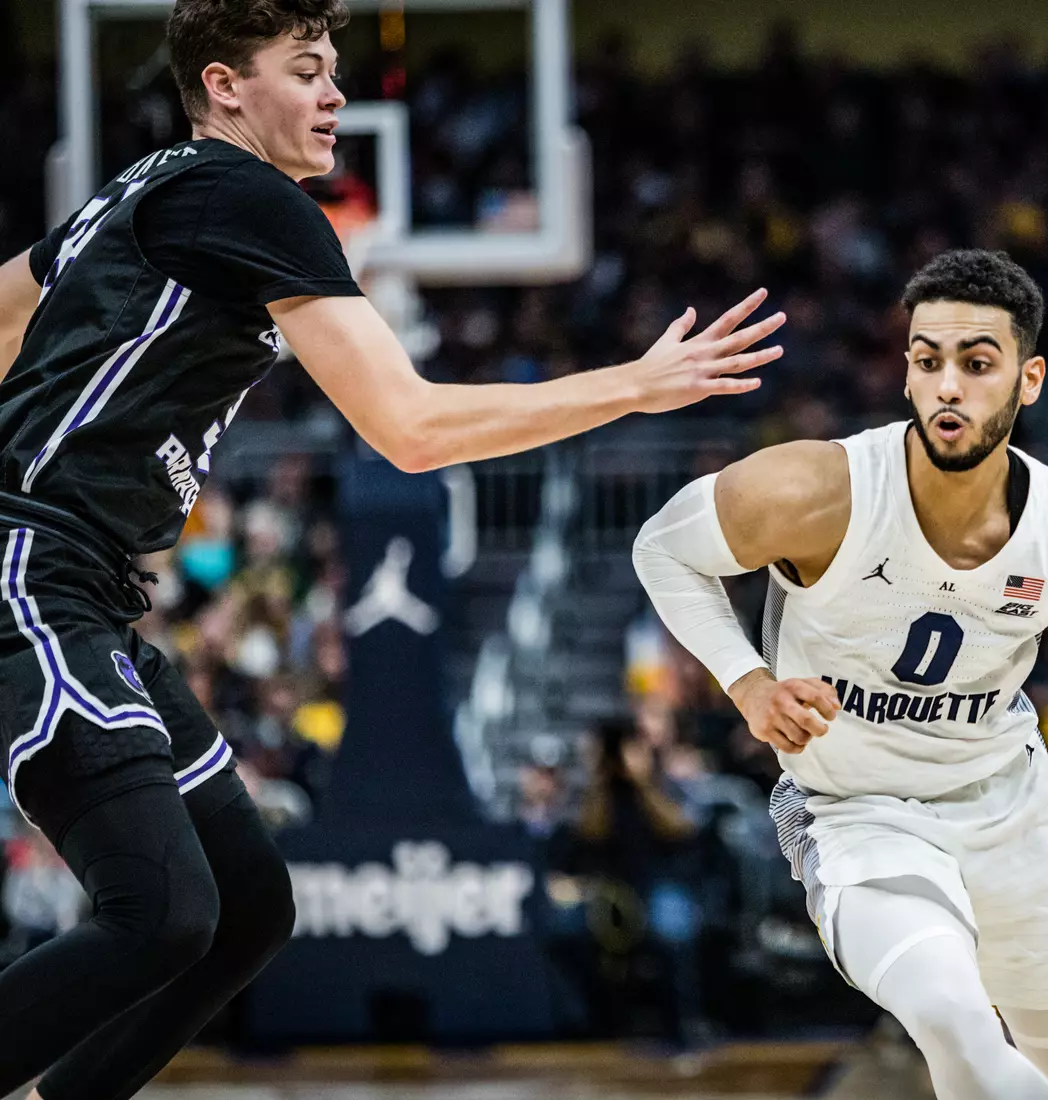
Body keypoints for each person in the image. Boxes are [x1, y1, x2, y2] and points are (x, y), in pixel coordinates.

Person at [0, 1, 784, 1096]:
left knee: (248, 909)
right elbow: (408, 430)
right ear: (226, 86)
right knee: (163, 911)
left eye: (336, 71)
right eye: (308, 70)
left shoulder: (138, 188)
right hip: (34, 565)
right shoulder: (245, 193)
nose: (336, 95)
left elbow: (1, 313)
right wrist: (635, 386)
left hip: (90, 586)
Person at [633, 249, 1048, 1099]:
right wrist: (746, 680)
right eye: (927, 360)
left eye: (977, 364)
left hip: (1007, 805)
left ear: (1030, 379)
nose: (948, 385)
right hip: (853, 810)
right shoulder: (817, 490)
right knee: (948, 1015)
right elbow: (663, 546)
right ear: (905, 373)